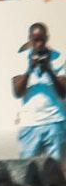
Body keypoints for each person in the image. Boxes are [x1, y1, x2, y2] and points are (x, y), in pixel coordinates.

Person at [13, 23, 65, 161]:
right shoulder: (19, 58)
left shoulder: (58, 58)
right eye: (35, 40)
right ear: (30, 39)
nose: (39, 44)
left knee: (55, 173)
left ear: (47, 38)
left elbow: (63, 93)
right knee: (28, 172)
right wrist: (29, 69)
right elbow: (17, 92)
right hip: (29, 124)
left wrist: (49, 70)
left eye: (42, 40)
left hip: (54, 122)